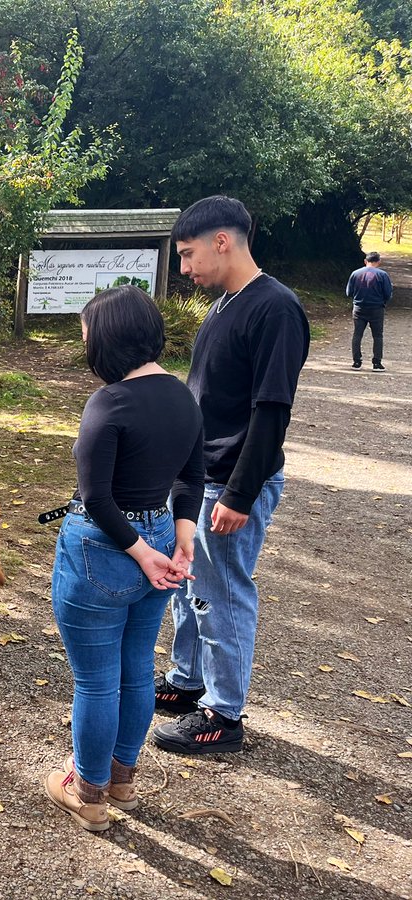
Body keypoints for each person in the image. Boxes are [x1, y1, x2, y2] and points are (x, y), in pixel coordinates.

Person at [152, 196, 310, 755]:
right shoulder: (224, 305)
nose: (184, 268)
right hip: (200, 477)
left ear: (222, 241)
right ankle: (187, 681)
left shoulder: (275, 308)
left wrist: (240, 493)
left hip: (233, 482)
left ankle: (223, 713)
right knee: (188, 586)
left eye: (188, 254)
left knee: (222, 593)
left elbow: (272, 410)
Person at [44, 285, 204, 832]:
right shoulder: (183, 396)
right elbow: (193, 477)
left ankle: (87, 793)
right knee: (136, 670)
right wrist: (180, 539)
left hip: (104, 547)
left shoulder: (108, 402)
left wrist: (139, 553)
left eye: (87, 333)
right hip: (160, 532)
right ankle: (122, 781)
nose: (85, 343)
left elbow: (96, 497)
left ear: (108, 338)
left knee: (95, 681)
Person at [345, 251, 393, 370]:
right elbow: (388, 294)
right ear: (379, 262)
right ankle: (377, 363)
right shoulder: (383, 275)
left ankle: (356, 362)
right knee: (377, 336)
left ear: (365, 261)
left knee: (357, 334)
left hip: (359, 308)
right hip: (376, 308)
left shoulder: (355, 273)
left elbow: (349, 292)